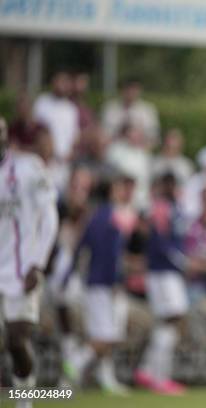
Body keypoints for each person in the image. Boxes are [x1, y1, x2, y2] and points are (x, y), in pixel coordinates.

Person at [0, 116, 59, 408]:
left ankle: (26, 397)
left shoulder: (28, 169)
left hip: (20, 270)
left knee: (15, 340)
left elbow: (49, 217)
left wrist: (38, 262)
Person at [64, 171, 137, 395]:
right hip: (102, 283)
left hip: (92, 280)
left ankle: (104, 379)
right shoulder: (110, 219)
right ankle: (74, 363)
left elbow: (80, 248)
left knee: (104, 332)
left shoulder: (94, 216)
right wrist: (115, 281)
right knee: (105, 337)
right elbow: (111, 255)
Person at [134, 173, 188, 395]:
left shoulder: (170, 208)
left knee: (167, 321)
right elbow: (161, 243)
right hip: (163, 272)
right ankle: (159, 377)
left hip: (165, 272)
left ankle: (147, 371)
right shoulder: (160, 209)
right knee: (172, 317)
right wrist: (183, 261)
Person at [33, 70, 79, 162]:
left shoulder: (71, 109)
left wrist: (71, 153)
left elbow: (75, 135)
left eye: (66, 83)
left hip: (65, 160)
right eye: (60, 82)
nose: (62, 86)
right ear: (53, 82)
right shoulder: (42, 102)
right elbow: (36, 129)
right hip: (44, 158)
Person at [101, 79, 160, 147]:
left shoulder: (148, 110)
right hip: (114, 148)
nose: (131, 93)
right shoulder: (109, 108)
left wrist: (139, 135)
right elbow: (103, 134)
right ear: (122, 90)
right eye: (128, 89)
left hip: (140, 149)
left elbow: (154, 136)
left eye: (134, 89)